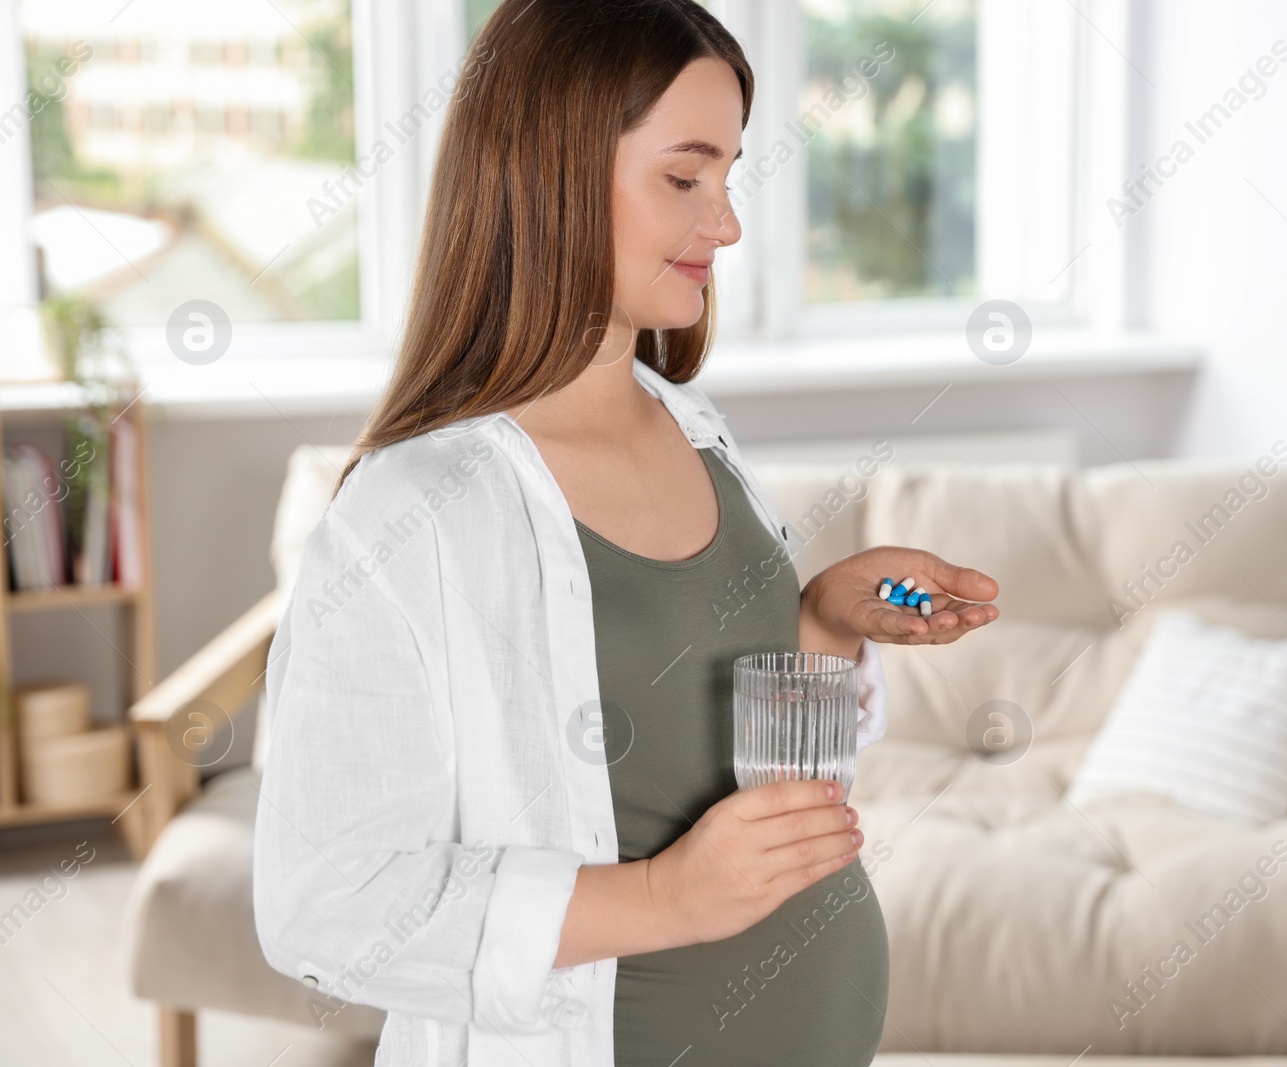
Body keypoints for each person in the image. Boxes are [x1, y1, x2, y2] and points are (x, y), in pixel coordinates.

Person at [253, 1, 1000, 1064]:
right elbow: (323, 903)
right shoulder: (409, 514)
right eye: (684, 177)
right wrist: (662, 896)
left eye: (729, 176)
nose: (728, 223)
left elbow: (726, 772)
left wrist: (826, 620)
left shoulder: (701, 439)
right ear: (548, 170)